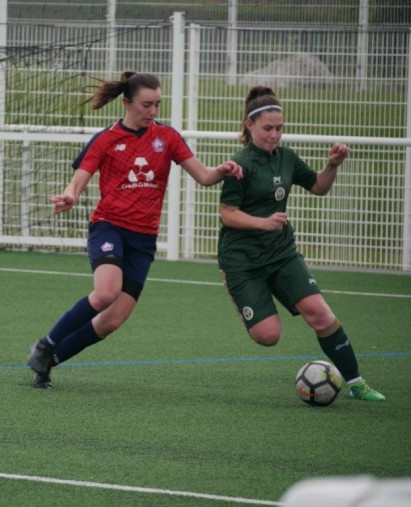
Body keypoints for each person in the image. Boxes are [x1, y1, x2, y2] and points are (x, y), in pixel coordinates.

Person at [27, 71, 243, 388]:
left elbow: (204, 176)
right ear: (127, 103)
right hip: (109, 228)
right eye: (146, 105)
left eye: (158, 104)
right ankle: (47, 342)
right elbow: (80, 178)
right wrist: (71, 195)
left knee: (113, 320)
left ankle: (47, 362)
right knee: (105, 293)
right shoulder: (105, 139)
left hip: (143, 239)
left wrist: (222, 170)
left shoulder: (167, 138)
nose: (153, 112)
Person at [217, 86, 385, 401]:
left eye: (279, 128)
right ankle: (239, 291)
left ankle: (357, 383)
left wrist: (332, 165)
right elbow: (227, 214)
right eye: (268, 128)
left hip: (281, 253)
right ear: (250, 125)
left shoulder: (288, 158)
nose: (274, 135)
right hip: (242, 260)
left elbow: (319, 187)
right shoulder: (240, 164)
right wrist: (263, 222)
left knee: (319, 312)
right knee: (268, 336)